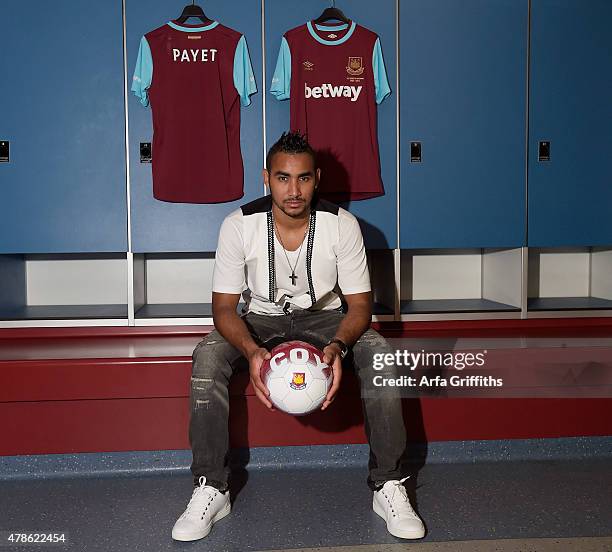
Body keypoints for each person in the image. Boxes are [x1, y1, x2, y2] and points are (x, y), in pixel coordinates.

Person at [171, 131, 425, 542]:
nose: (294, 190)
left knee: (380, 355)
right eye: (284, 178)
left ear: (317, 178)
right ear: (266, 178)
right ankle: (213, 488)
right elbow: (222, 309)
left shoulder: (343, 226)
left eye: (304, 178)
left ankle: (388, 484)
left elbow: (360, 306)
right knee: (207, 358)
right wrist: (252, 350)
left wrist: (340, 346)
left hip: (327, 319)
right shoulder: (238, 225)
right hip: (261, 319)